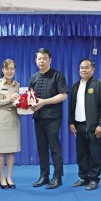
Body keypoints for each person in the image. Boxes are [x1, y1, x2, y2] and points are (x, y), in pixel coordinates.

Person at [29, 48, 68, 189]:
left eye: (44, 58)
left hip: (53, 118)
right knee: (41, 148)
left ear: (50, 60)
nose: (41, 61)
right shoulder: (34, 77)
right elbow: (30, 97)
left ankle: (58, 177)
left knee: (54, 148)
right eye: (39, 58)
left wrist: (44, 102)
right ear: (36, 60)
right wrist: (30, 105)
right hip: (38, 118)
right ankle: (44, 175)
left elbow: (63, 95)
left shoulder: (58, 75)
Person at [68, 58, 101, 191]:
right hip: (79, 126)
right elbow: (71, 106)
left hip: (94, 126)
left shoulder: (99, 84)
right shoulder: (75, 86)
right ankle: (83, 177)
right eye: (81, 68)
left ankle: (94, 179)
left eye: (86, 67)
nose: (83, 70)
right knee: (81, 154)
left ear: (93, 69)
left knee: (94, 154)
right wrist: (71, 122)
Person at [0, 59, 21, 189]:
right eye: (7, 69)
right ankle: (2, 177)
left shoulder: (17, 85)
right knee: (1, 151)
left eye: (12, 68)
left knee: (12, 150)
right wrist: (8, 100)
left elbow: (19, 102)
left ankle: (9, 177)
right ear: (2, 70)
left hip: (14, 118)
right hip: (1, 119)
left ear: (15, 70)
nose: (9, 71)